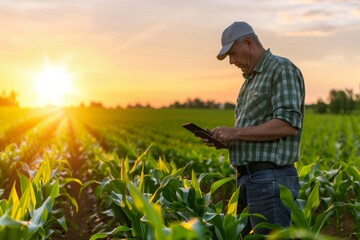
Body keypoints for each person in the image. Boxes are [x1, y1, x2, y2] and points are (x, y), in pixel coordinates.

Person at [207, 21, 305, 236]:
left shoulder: (281, 69)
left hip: (270, 180)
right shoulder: (250, 80)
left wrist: (235, 133)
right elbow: (255, 133)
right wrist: (227, 140)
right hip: (248, 180)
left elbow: (288, 124)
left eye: (233, 53)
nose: (232, 61)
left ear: (249, 43)